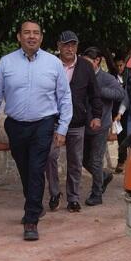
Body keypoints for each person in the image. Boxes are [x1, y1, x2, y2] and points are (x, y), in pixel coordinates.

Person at [0, 20, 72, 241]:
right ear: (19, 37)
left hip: (43, 124)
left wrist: (62, 128)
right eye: (27, 33)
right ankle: (34, 203)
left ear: (42, 38)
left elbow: (64, 98)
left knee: (35, 169)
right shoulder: (6, 63)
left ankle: (31, 219)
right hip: (15, 126)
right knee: (25, 170)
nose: (31, 36)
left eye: (36, 33)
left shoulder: (53, 64)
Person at [45, 31, 103, 213]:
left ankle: (73, 198)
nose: (69, 48)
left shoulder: (86, 67)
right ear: (58, 46)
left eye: (73, 45)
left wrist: (96, 115)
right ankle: (54, 193)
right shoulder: (50, 65)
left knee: (75, 162)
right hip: (54, 122)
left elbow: (95, 94)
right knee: (50, 157)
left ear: (77, 47)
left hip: (77, 122)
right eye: (66, 45)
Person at [81, 47, 125, 206]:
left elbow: (121, 94)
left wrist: (99, 91)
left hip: (101, 125)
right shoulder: (81, 76)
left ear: (97, 61)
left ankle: (96, 194)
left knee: (96, 160)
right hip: (84, 125)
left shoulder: (107, 78)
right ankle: (104, 176)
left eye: (87, 62)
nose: (84, 65)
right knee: (84, 160)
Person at [111, 56, 129, 173]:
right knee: (120, 136)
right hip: (116, 111)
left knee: (129, 136)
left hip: (128, 111)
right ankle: (121, 161)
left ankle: (127, 161)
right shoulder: (112, 77)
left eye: (121, 65)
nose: (119, 68)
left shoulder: (130, 76)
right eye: (117, 65)